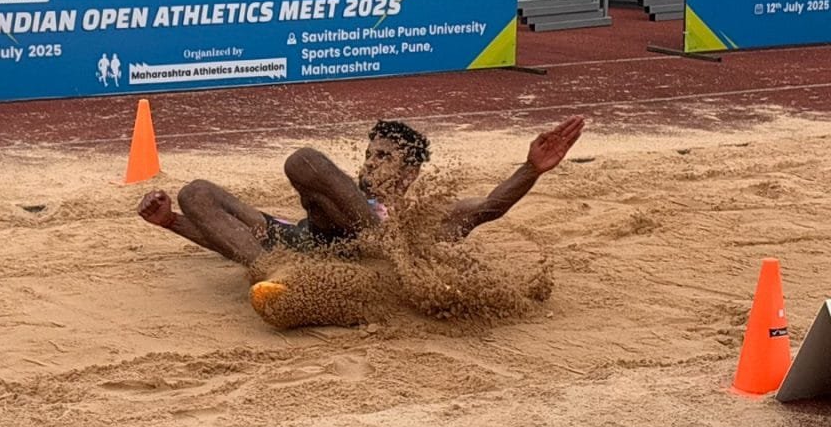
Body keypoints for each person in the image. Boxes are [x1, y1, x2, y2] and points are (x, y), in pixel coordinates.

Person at [138, 116, 585, 274]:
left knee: (302, 160)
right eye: (369, 154)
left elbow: (489, 207)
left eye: (384, 157)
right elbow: (229, 238)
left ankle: (375, 239)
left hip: (360, 249)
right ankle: (269, 274)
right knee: (195, 193)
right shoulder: (342, 194)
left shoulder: (425, 215)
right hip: (298, 245)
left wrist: (530, 169)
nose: (371, 163)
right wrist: (172, 222)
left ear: (410, 172)